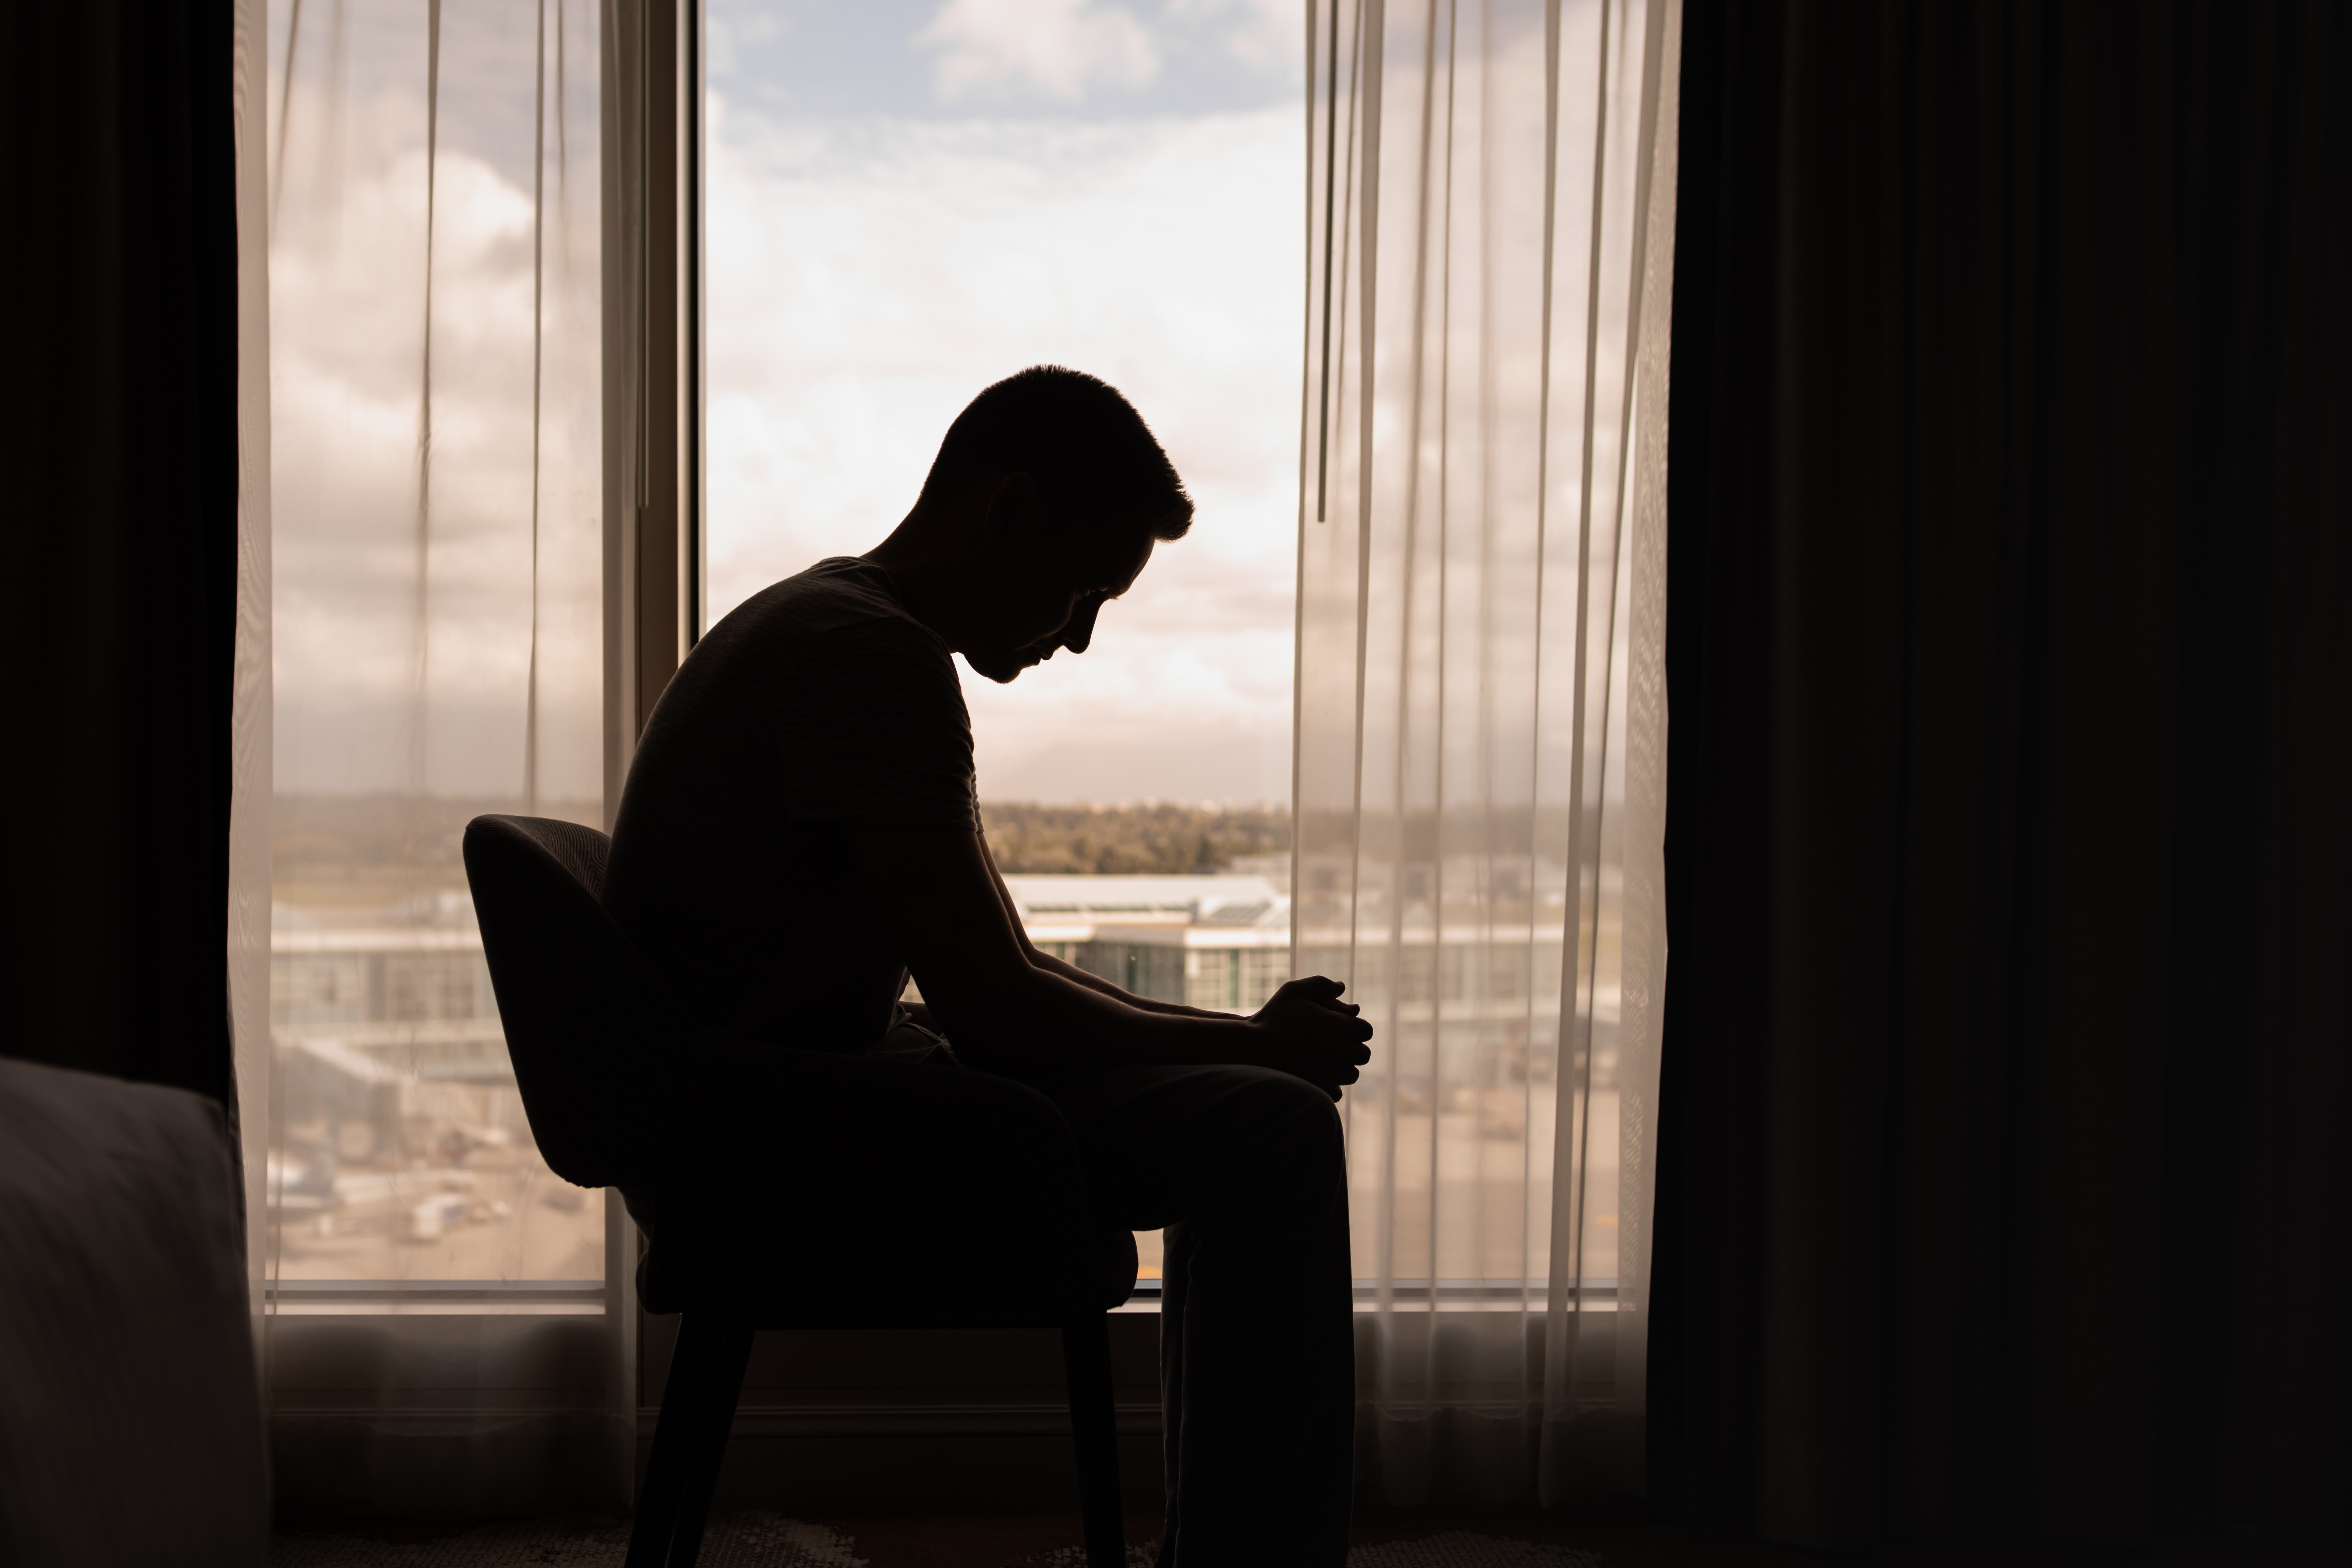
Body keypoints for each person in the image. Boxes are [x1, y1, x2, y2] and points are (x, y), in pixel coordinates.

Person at [601, 365, 1371, 1565]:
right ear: (1007, 510)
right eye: (1082, 588)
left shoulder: (828, 622)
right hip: (781, 1140)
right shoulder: (871, 659)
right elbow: (1000, 1011)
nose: (1077, 636)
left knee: (1256, 1103)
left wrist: (1243, 1037)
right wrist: (1251, 1045)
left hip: (766, 1104)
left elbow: (1002, 974)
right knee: (1270, 1130)